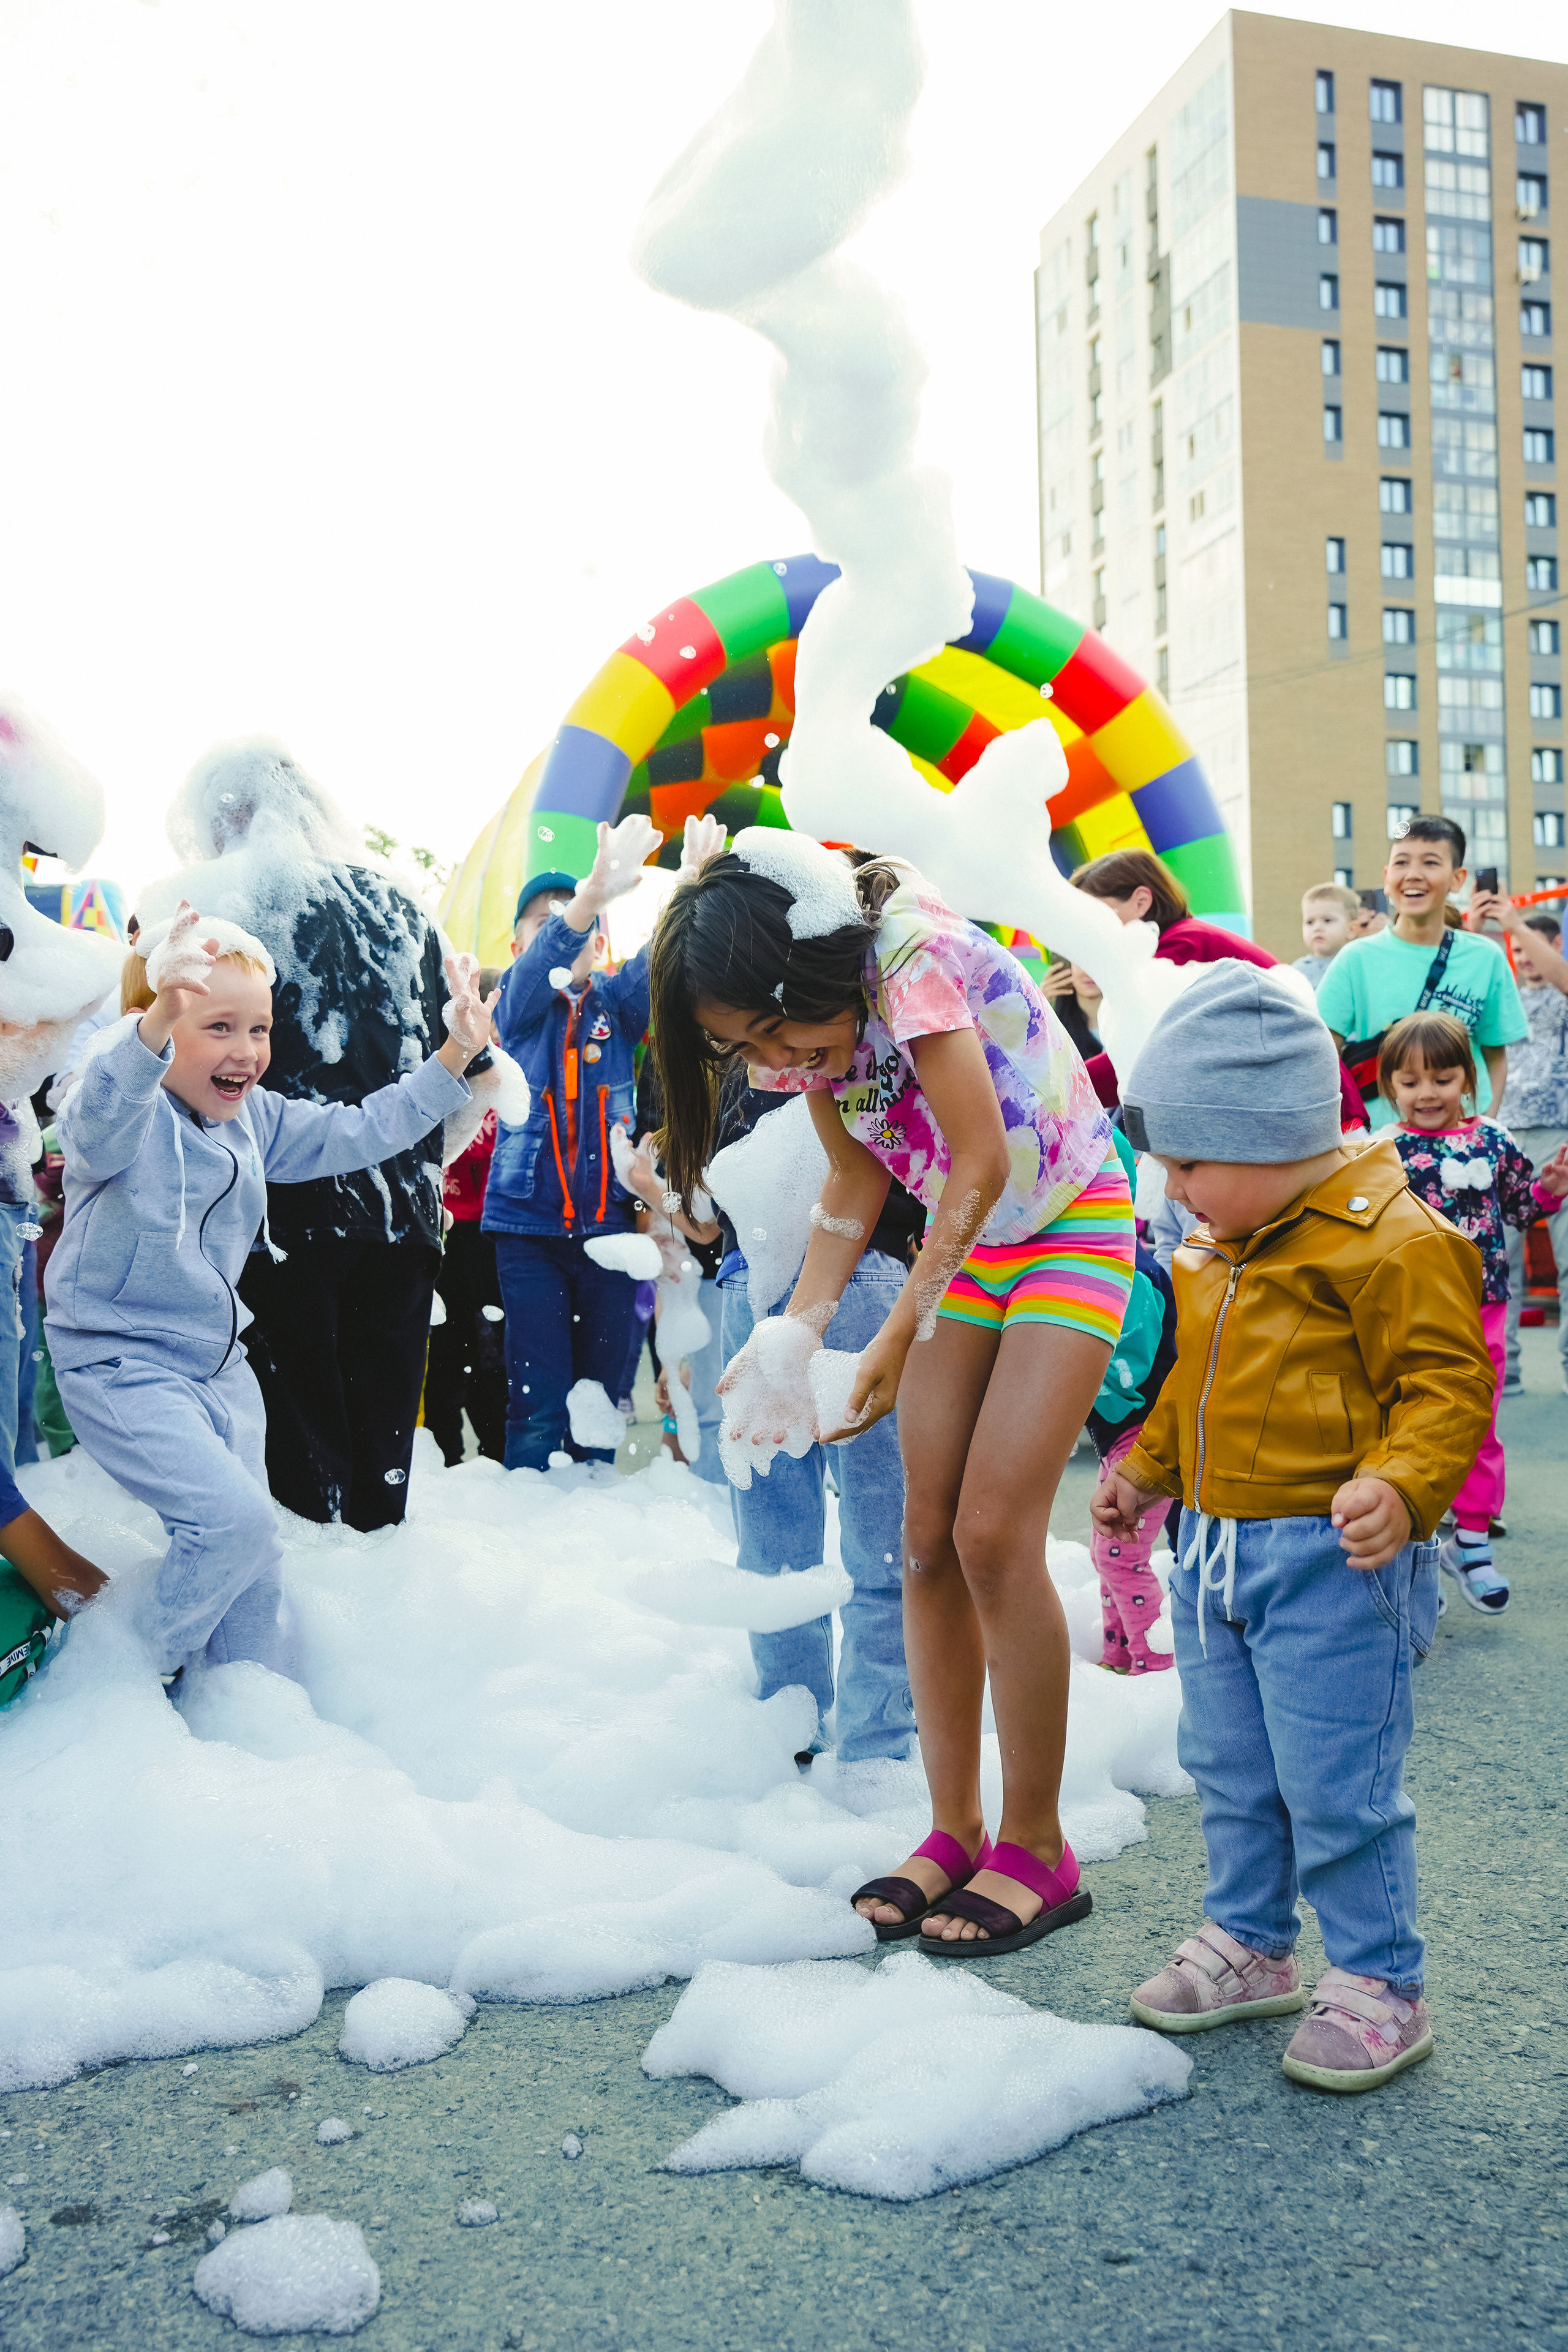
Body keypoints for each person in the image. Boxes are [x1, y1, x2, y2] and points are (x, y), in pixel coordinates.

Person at [652, 829, 1130, 1957]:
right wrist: (797, 1329)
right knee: (923, 1541)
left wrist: (894, 1335)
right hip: (973, 1250)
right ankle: (956, 1827)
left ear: (801, 969)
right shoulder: (805, 1039)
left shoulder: (909, 955)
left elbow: (979, 1163)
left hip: (1063, 1220)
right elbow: (855, 1177)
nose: (779, 1059)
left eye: (775, 1030)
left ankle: (1038, 1845)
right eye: (744, 1044)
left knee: (995, 1534)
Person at [1093, 965, 1493, 2093]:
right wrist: (1149, 1469)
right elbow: (1193, 1388)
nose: (1171, 1187)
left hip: (1329, 1556)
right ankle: (1253, 1942)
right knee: (1228, 1763)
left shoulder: (1390, 1239)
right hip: (1214, 1550)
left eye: (1187, 1162)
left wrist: (1404, 1488)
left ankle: (1379, 1981)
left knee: (1336, 1780)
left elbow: (1445, 1385)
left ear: (1267, 1135)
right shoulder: (1221, 1241)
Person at [44, 905, 492, 1681]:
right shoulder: (121, 1114)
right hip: (122, 1366)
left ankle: (255, 1721)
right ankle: (118, 1682)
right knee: (231, 1525)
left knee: (258, 1568)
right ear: (152, 1023)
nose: (248, 1052)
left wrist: (455, 1055)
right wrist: (153, 1030)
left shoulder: (253, 1122)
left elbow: (357, 1131)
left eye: (260, 1028)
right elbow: (93, 1126)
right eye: (217, 1025)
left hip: (219, 1369)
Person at [148, 741, 488, 1534]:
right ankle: (380, 1625)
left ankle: (309, 1639)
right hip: (402, 1212)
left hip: (272, 1214)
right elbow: (472, 1071)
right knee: (383, 1454)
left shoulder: (210, 903)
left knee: (298, 1468)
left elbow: (157, 1060)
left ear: (224, 816)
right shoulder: (401, 906)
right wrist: (425, 1180)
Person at [706, 1065, 922, 1769]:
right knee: (880, 1532)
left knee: (772, 1538)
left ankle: (790, 1732)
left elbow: (711, 1199)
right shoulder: (852, 1027)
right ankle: (875, 1749)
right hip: (868, 1266)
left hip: (750, 1278)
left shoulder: (736, 1045)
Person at [483, 816, 660, 1471]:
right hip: (527, 1233)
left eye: (581, 917)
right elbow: (537, 973)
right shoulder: (517, 1004)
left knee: (601, 1404)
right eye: (547, 919)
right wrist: (587, 897)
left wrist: (692, 883)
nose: (565, 925)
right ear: (520, 942)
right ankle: (528, 1547)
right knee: (538, 1402)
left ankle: (593, 1543)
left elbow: (658, 966)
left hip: (611, 1231)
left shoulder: (616, 1004)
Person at [1379, 1011, 1568, 1613]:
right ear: (1389, 1089)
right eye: (1409, 1083)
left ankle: (1474, 1544)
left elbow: (1519, 1209)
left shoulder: (1492, 1139)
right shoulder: (1382, 1151)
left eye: (1441, 1078)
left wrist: (1549, 1190)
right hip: (1407, 1311)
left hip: (1480, 1307)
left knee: (1477, 1429)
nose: (1426, 1093)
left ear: (1469, 1081)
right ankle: (1414, 1557)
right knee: (1403, 1426)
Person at [1068, 846, 1365, 1129]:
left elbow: (1138, 1055)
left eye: (1095, 912)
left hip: (1308, 1108)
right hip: (1310, 1101)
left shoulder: (1177, 951)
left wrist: (1062, 1086)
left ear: (1141, 902)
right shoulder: (1187, 937)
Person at [1316, 816, 1528, 1130]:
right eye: (1401, 863)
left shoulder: (1485, 957)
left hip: (1465, 1145)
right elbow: (1321, 1050)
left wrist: (1484, 1124)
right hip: (1383, 1146)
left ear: (1458, 879)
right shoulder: (1356, 958)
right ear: (1387, 877)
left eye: (1430, 863)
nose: (1413, 875)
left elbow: (1495, 1054)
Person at [1087, 1132, 1178, 1675]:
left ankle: (1154, 1664)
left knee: (1121, 1554)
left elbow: (1127, 1374)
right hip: (1127, 1434)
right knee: (1108, 1552)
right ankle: (1117, 1655)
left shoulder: (1131, 1272)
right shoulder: (1109, 1263)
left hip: (1148, 1433)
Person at [1481, 907, 1568, 1398]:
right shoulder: (1506, 999)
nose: (1522, 959)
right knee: (1501, 1258)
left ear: (1554, 947)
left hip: (1560, 1133)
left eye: (1529, 949)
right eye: (1515, 952)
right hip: (1508, 1136)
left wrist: (1515, 926)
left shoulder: (1562, 990)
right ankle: (1504, 1368)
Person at [423, 967, 508, 1467]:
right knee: (446, 1351)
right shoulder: (443, 1070)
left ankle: (496, 1459)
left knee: (490, 1351)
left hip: (491, 1238)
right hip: (445, 1235)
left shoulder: (506, 1083)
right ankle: (444, 1458)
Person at [1294, 883, 1360, 990]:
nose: (1317, 928)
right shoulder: (1296, 972)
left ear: (1352, 929)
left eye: (1327, 920)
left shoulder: (1357, 968)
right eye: (1310, 922)